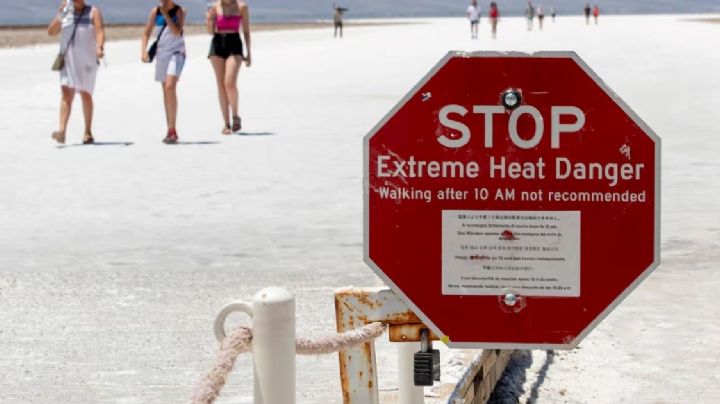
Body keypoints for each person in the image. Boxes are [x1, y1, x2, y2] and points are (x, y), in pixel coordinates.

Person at [47, 0, 105, 145]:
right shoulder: (65, 12)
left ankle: (87, 131)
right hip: (68, 60)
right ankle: (61, 132)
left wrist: (100, 47)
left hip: (87, 61)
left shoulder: (93, 12)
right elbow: (51, 32)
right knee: (66, 94)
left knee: (86, 94)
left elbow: (99, 32)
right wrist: (60, 14)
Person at [141, 0, 186, 144]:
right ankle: (170, 129)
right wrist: (143, 51)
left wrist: (166, 15)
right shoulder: (155, 12)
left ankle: (172, 130)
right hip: (161, 55)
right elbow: (146, 33)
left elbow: (176, 31)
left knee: (170, 87)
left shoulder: (180, 11)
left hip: (176, 53)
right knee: (165, 92)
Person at [206, 0, 252, 134]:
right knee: (221, 84)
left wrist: (249, 53)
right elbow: (210, 32)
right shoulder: (215, 6)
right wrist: (209, 20)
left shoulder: (242, 7)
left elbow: (246, 31)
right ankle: (226, 124)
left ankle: (235, 116)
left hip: (234, 42)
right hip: (218, 43)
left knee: (229, 82)